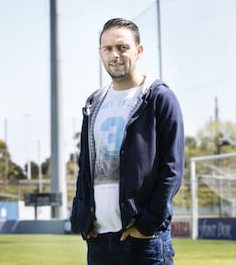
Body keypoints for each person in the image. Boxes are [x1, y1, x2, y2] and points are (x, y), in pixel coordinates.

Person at [70, 18, 184, 265]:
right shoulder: (94, 102)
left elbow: (172, 169)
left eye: (122, 47)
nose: (115, 55)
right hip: (99, 241)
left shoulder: (158, 97)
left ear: (138, 50)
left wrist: (146, 226)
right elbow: (85, 170)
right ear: (100, 53)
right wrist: (81, 220)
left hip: (143, 241)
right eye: (108, 49)